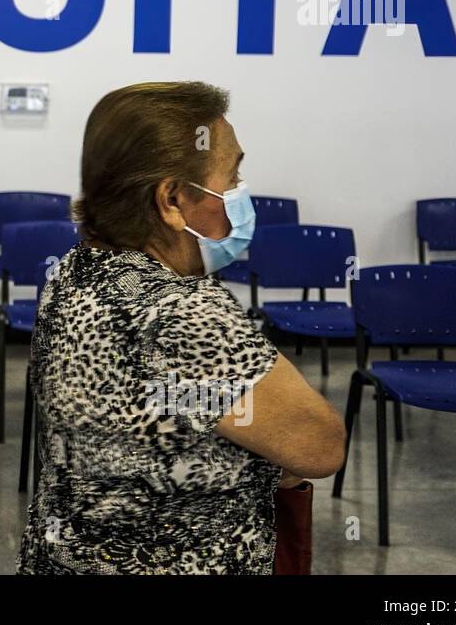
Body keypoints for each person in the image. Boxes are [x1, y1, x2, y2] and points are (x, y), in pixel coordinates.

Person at [17, 81, 346, 574]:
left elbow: (163, 410)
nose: (240, 193)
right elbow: (319, 447)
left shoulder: (79, 268)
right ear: (172, 199)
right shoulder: (183, 313)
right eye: (232, 177)